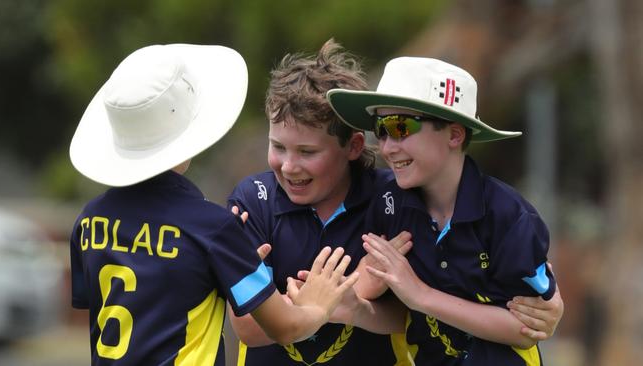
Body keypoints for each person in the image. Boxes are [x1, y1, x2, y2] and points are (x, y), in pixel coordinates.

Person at [228, 40, 562, 366]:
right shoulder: (253, 201)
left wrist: (551, 299)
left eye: (307, 152)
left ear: (355, 146)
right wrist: (336, 297)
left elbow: (408, 312)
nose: (288, 166)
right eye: (382, 129)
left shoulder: (397, 197)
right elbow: (249, 327)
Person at [67, 43, 358, 366]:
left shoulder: (88, 220)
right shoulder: (213, 228)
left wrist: (229, 265)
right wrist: (317, 305)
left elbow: (136, 298)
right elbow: (286, 327)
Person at [327, 56, 560, 365]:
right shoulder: (386, 204)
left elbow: (527, 328)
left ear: (454, 134)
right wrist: (355, 306)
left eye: (400, 126)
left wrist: (421, 295)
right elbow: (397, 316)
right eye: (380, 129)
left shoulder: (509, 216)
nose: (386, 147)